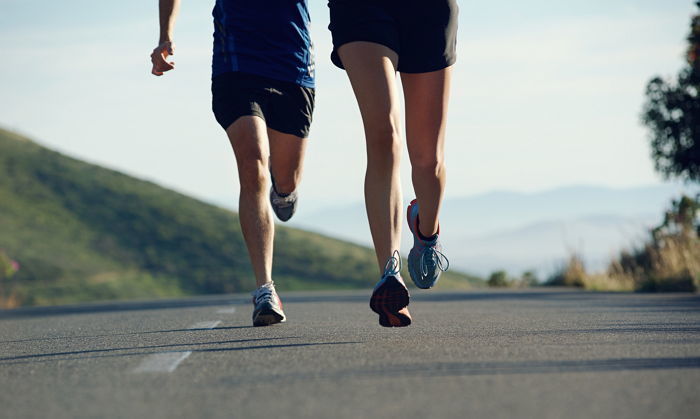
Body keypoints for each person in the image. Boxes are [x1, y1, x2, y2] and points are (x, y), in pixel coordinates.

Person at [151, 0, 315, 326]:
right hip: (236, 66)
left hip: (292, 64)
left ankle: (284, 191)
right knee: (253, 168)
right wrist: (165, 36)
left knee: (286, 179)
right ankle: (265, 288)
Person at [328, 0, 455, 327]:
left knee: (428, 160)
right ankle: (389, 272)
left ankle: (426, 232)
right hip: (361, 10)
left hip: (428, 10)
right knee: (385, 137)